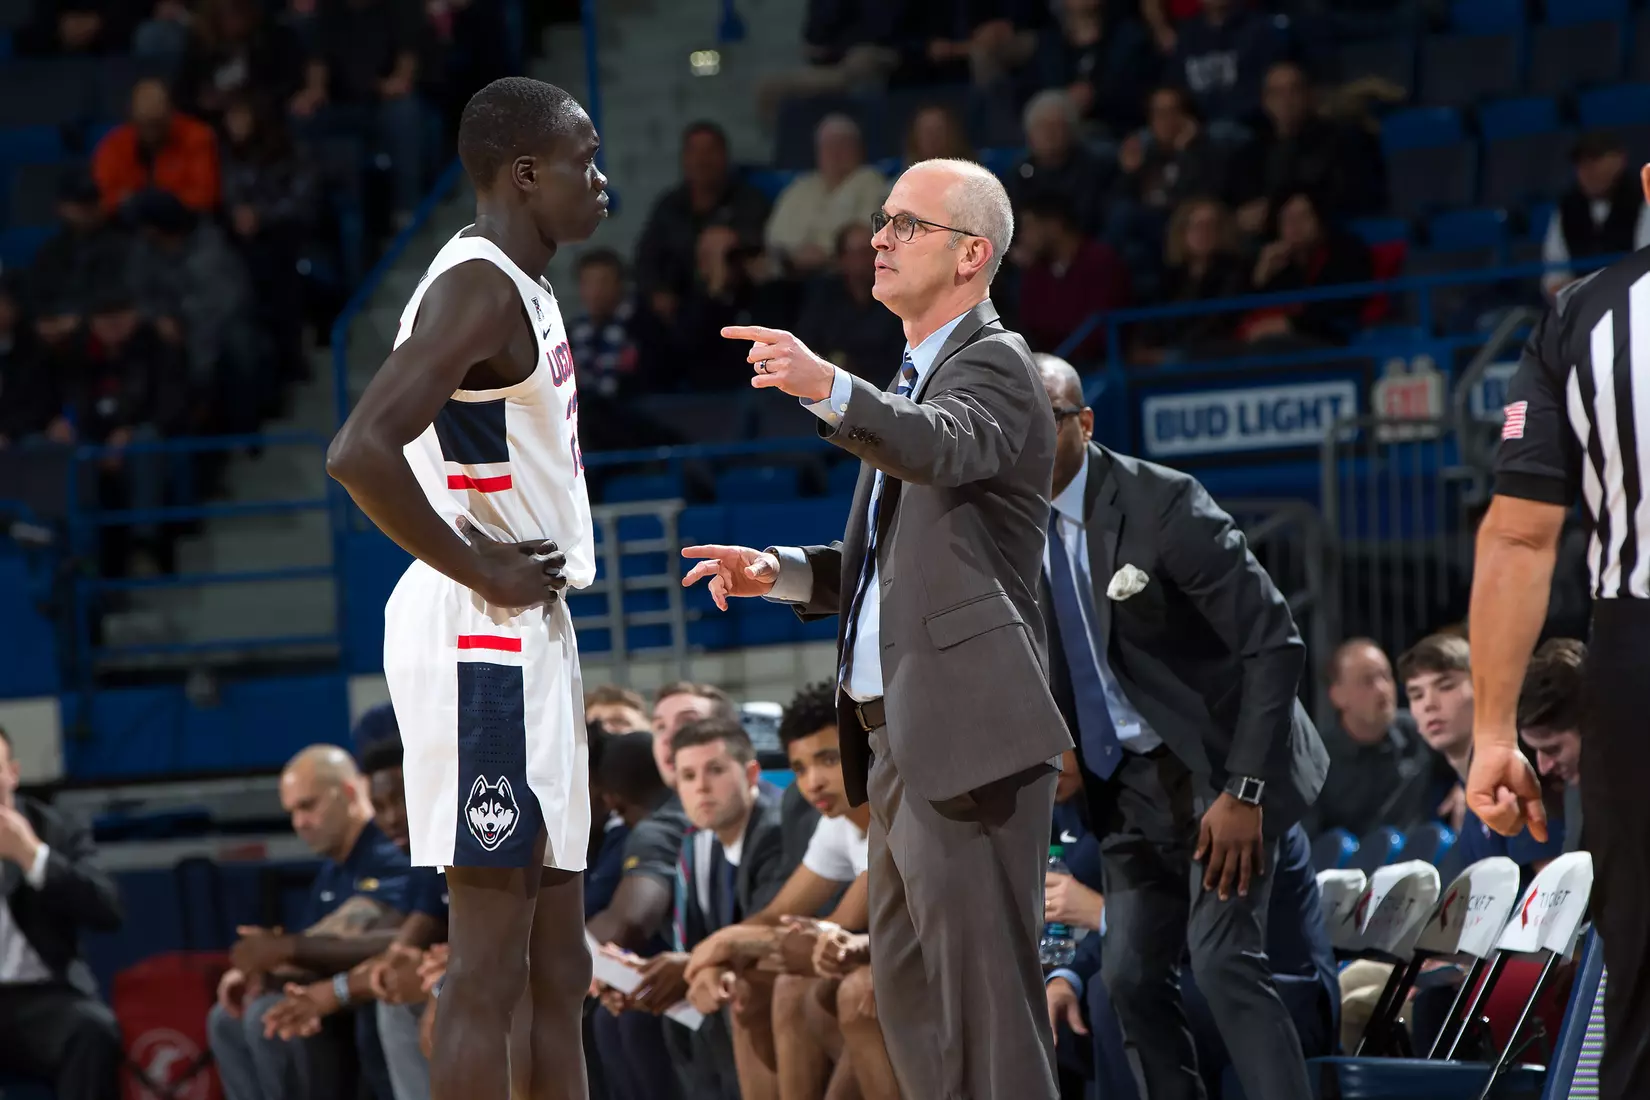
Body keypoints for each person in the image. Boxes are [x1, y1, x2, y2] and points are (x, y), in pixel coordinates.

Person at [681, 157, 1072, 1099]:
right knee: (907, 995)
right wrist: (779, 573)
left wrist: (827, 385)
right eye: (881, 220)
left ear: (971, 254)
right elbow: (886, 565)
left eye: (906, 224)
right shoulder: (916, 379)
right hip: (897, 740)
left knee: (987, 1008)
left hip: (964, 734)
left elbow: (938, 444)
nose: (879, 238)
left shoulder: (996, 363)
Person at [325, 76, 610, 1100]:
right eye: (585, 161)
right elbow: (358, 450)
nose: (602, 180)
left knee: (559, 965)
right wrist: (480, 564)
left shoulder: (518, 284)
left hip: (527, 621)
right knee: (487, 965)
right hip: (482, 628)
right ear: (526, 174)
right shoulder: (477, 287)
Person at [1032, 352, 1327, 1100]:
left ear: (1082, 423)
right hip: (1128, 781)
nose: (1022, 440)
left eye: (1042, 421)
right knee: (1129, 976)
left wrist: (1245, 790)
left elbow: (1274, 644)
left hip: (1225, 763)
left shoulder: (1163, 502)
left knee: (1224, 962)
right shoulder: (1009, 525)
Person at [1465, 158, 1650, 1097]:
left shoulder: (1584, 315)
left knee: (1643, 972)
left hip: (1635, 656)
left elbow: (1519, 535)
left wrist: (1493, 732)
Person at [209, 746, 414, 1100]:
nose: (298, 822)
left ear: (349, 793)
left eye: (308, 806)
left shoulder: (390, 847)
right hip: (336, 994)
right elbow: (317, 944)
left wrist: (281, 952)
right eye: (292, 812)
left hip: (367, 996)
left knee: (267, 1014)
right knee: (227, 1018)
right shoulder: (333, 869)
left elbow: (371, 928)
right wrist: (269, 967)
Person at [0, 725, 124, 1100]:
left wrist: (32, 856)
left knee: (92, 1030)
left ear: (13, 773)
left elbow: (107, 910)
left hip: (42, 998)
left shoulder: (55, 829)